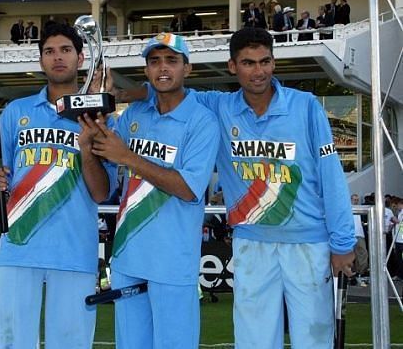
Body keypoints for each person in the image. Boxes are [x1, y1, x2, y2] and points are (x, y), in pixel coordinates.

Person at [111, 27, 356, 349]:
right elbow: (168, 88)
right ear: (232, 66)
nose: (258, 72)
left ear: (273, 63)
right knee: (253, 342)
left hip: (309, 243)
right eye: (248, 63)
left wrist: (343, 242)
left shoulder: (306, 106)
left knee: (313, 339)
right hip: (251, 242)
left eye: (265, 62)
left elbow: (332, 176)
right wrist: (123, 95)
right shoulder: (219, 106)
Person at [0, 22, 117, 349]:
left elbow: (102, 192)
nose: (58, 58)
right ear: (41, 60)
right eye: (49, 51)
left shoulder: (97, 116)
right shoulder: (17, 111)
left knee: (71, 343)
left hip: (74, 250)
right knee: (12, 342)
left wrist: (86, 148)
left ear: (81, 58)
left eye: (66, 50)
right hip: (19, 245)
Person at [90, 32, 220, 349]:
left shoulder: (203, 121)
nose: (163, 68)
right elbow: (103, 155)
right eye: (154, 61)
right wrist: (100, 105)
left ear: (187, 69)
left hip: (173, 261)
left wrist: (128, 157)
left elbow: (189, 188)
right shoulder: (135, 115)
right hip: (128, 257)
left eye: (171, 61)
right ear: (147, 71)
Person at [351, 194, 369, 285]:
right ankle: (354, 273)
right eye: (354, 199)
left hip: (359, 234)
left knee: (362, 253)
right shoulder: (349, 208)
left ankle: (359, 272)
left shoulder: (360, 209)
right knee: (353, 254)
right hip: (351, 234)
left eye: (357, 200)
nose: (356, 201)